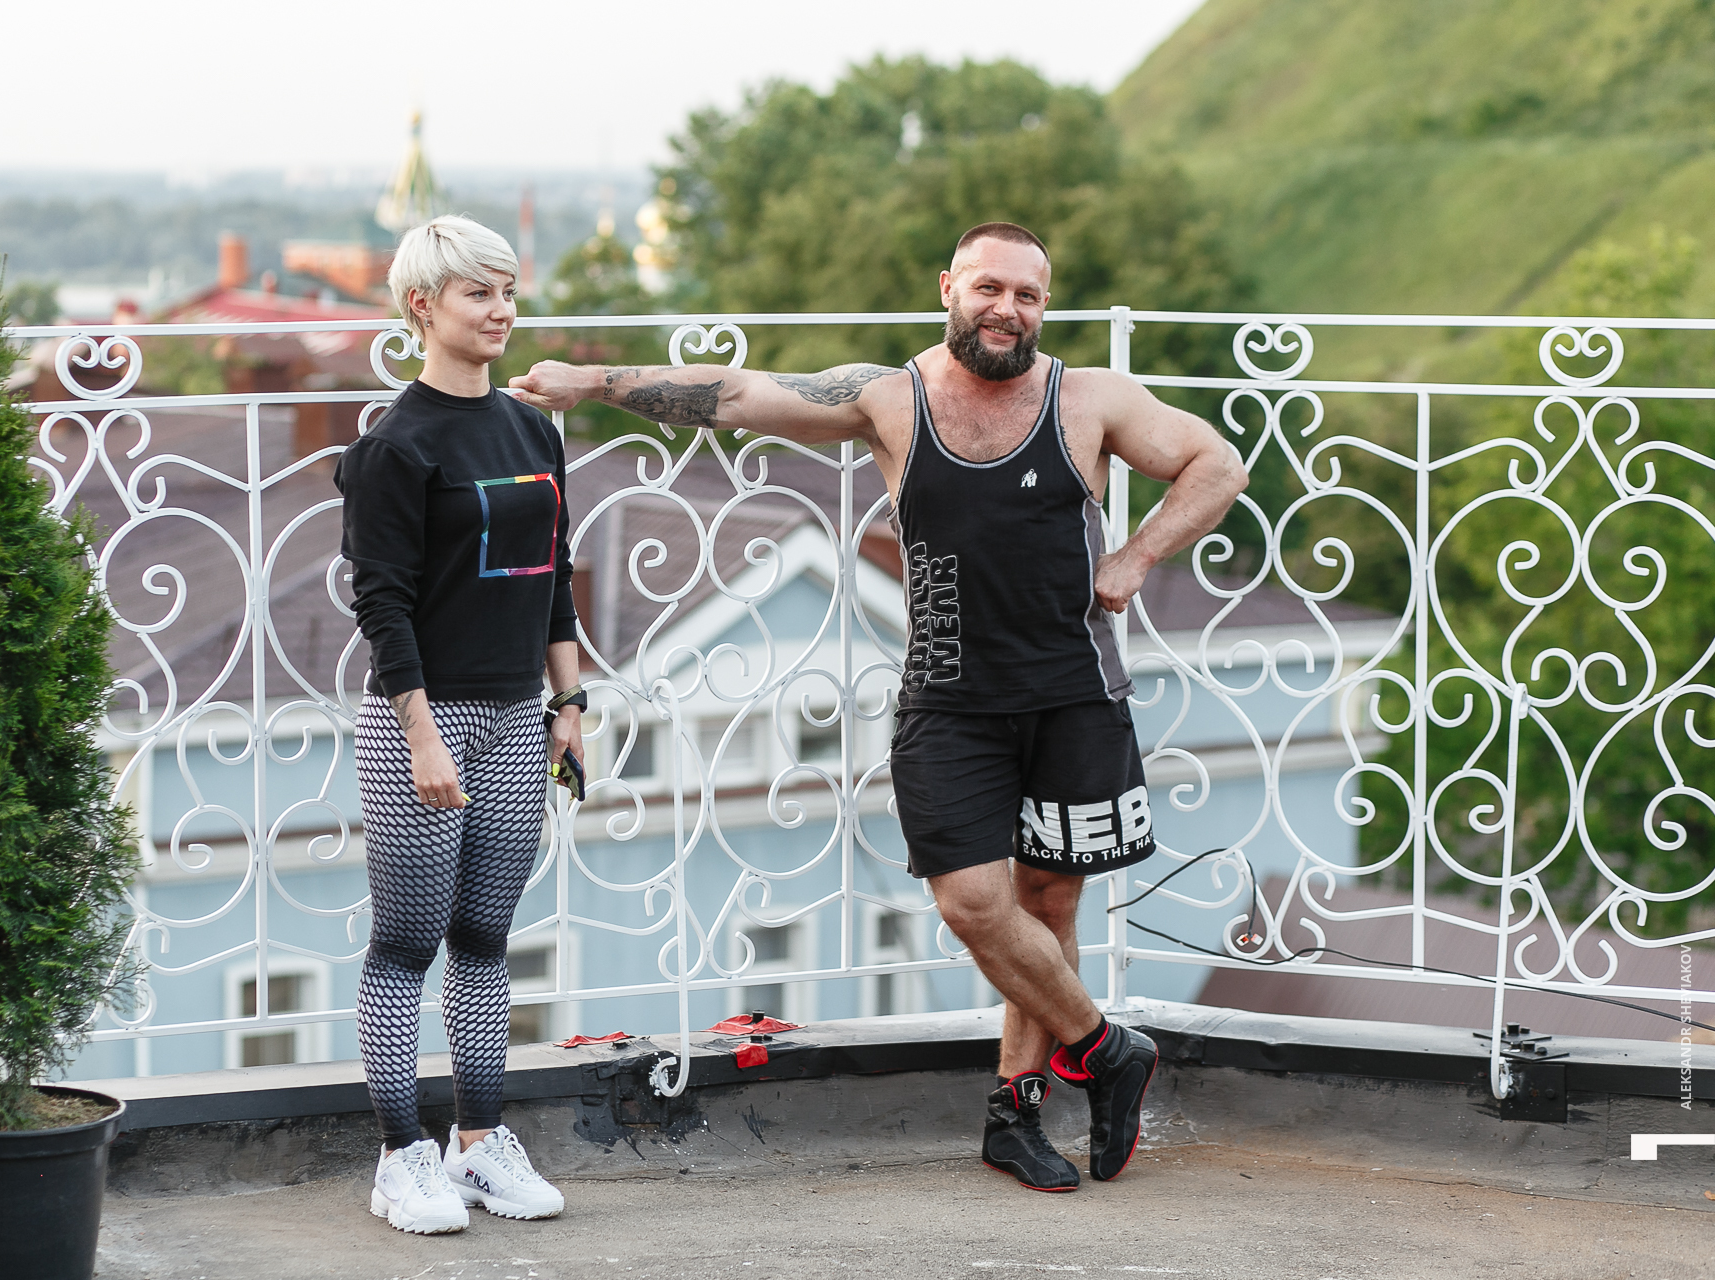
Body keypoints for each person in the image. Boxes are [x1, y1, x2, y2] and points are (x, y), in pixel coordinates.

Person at [509, 221, 1247, 1192]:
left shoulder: (1091, 399)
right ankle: (1109, 1051)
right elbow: (738, 395)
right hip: (949, 698)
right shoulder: (887, 398)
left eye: (1027, 295)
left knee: (1049, 903)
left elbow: (1218, 463)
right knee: (973, 901)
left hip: (1075, 691)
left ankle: (1016, 1115)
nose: (1007, 310)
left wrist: (1136, 557)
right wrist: (594, 382)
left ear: (1044, 305)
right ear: (949, 288)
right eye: (989, 288)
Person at [337, 214, 581, 1232]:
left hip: (518, 715)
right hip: (423, 723)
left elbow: (555, 576)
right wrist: (423, 734)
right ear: (422, 305)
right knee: (406, 943)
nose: (501, 310)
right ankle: (402, 1157)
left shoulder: (532, 430)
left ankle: (478, 1146)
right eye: (479, 292)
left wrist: (569, 703)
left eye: (508, 290)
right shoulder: (394, 446)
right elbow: (382, 604)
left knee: (484, 937)